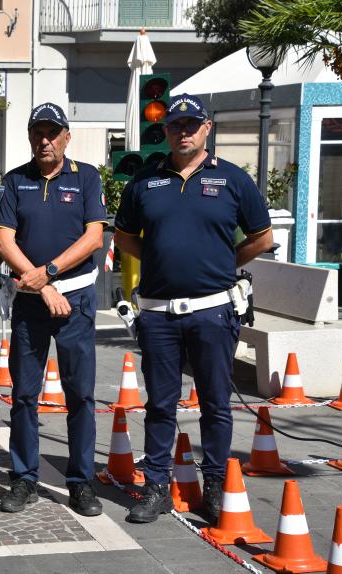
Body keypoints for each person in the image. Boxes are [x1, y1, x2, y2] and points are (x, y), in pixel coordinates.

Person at [114, 94, 273, 524]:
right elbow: (124, 237)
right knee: (160, 404)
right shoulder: (145, 181)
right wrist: (160, 258)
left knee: (216, 403)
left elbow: (262, 237)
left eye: (191, 124)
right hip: (159, 312)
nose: (183, 131)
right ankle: (157, 486)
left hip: (213, 311)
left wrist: (224, 263)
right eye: (175, 125)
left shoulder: (233, 180)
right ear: (165, 131)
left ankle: (216, 485)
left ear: (207, 129)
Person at [0, 103, 107, 517]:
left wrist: (51, 273)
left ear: (66, 137)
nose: (45, 140)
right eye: (37, 133)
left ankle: (80, 483)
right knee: (24, 395)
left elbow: (94, 237)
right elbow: (5, 242)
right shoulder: (14, 181)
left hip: (75, 298)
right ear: (29, 138)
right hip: (30, 300)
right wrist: (41, 286)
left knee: (80, 395)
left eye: (52, 132)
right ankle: (23, 478)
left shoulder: (87, 177)